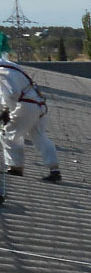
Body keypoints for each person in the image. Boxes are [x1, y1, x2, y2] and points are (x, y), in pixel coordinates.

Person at [0, 33, 61, 182]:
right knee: (40, 136)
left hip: (25, 105)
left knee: (8, 134)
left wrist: (5, 111)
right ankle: (54, 170)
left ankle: (15, 168)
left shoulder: (1, 69)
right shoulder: (11, 65)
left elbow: (11, 92)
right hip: (39, 104)